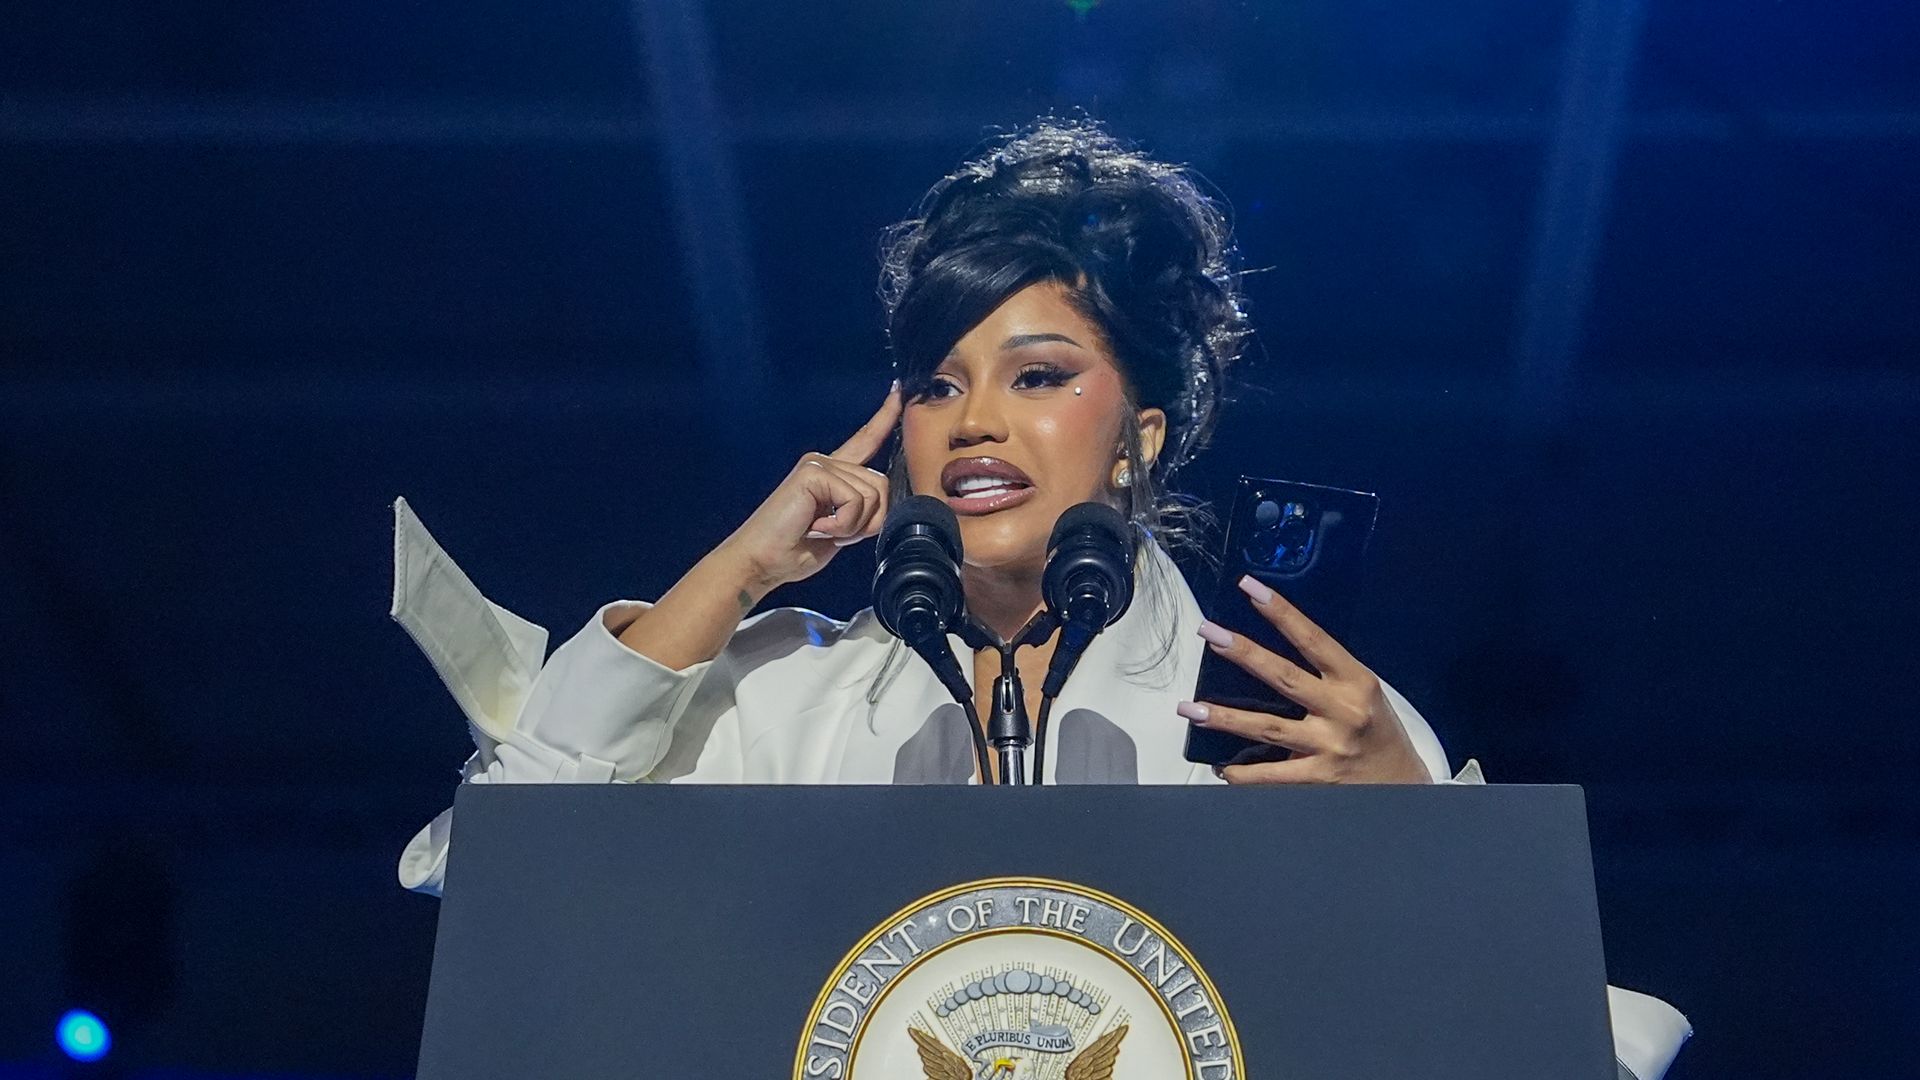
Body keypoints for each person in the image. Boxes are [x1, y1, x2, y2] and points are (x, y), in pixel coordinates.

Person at [389, 118, 1688, 1077]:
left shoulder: (1287, 720)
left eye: (1040, 374)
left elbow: (1556, 1053)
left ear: (1141, 433)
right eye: (940, 385)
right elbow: (512, 880)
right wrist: (738, 571)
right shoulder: (785, 689)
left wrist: (1409, 815)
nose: (977, 422)